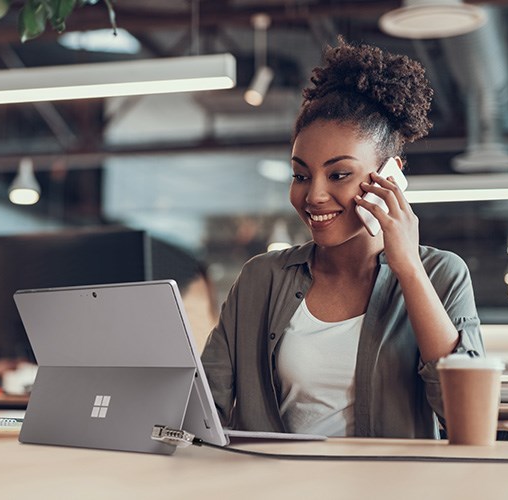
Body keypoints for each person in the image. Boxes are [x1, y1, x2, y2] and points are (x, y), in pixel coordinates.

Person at [201, 38, 484, 439]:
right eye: (301, 175)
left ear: (390, 175)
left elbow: (465, 417)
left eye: (338, 175)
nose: (314, 194)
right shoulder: (262, 278)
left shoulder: (441, 274)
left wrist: (408, 268)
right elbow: (201, 402)